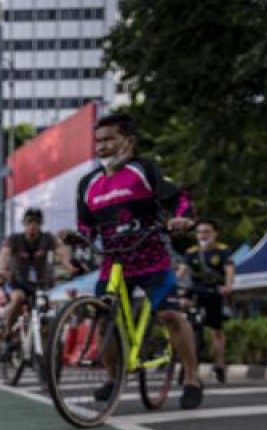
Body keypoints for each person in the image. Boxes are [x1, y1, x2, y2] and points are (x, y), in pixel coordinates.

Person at [65, 112, 203, 409]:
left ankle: (192, 378)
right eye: (98, 141)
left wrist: (183, 218)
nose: (102, 147)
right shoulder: (88, 184)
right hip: (113, 263)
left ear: (128, 141)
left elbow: (179, 198)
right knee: (104, 320)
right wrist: (78, 238)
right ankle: (114, 378)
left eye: (109, 140)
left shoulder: (144, 170)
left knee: (170, 317)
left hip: (152, 258)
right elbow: (87, 225)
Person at [0, 207, 72, 351]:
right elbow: (4, 253)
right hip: (17, 282)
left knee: (46, 310)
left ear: (40, 224)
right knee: (18, 298)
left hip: (40, 285)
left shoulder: (48, 238)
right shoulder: (14, 239)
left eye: (36, 223)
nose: (33, 226)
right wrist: (2, 269)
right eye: (29, 222)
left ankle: (46, 350)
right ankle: (7, 333)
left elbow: (61, 251)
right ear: (24, 224)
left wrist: (68, 265)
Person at [180, 219, 234, 383]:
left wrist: (228, 286)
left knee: (217, 331)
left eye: (206, 231)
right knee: (181, 312)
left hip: (214, 291)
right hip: (196, 291)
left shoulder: (223, 250)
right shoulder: (191, 252)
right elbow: (181, 271)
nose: (203, 235)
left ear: (214, 233)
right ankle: (187, 362)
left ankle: (219, 364)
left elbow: (229, 268)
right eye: (200, 232)